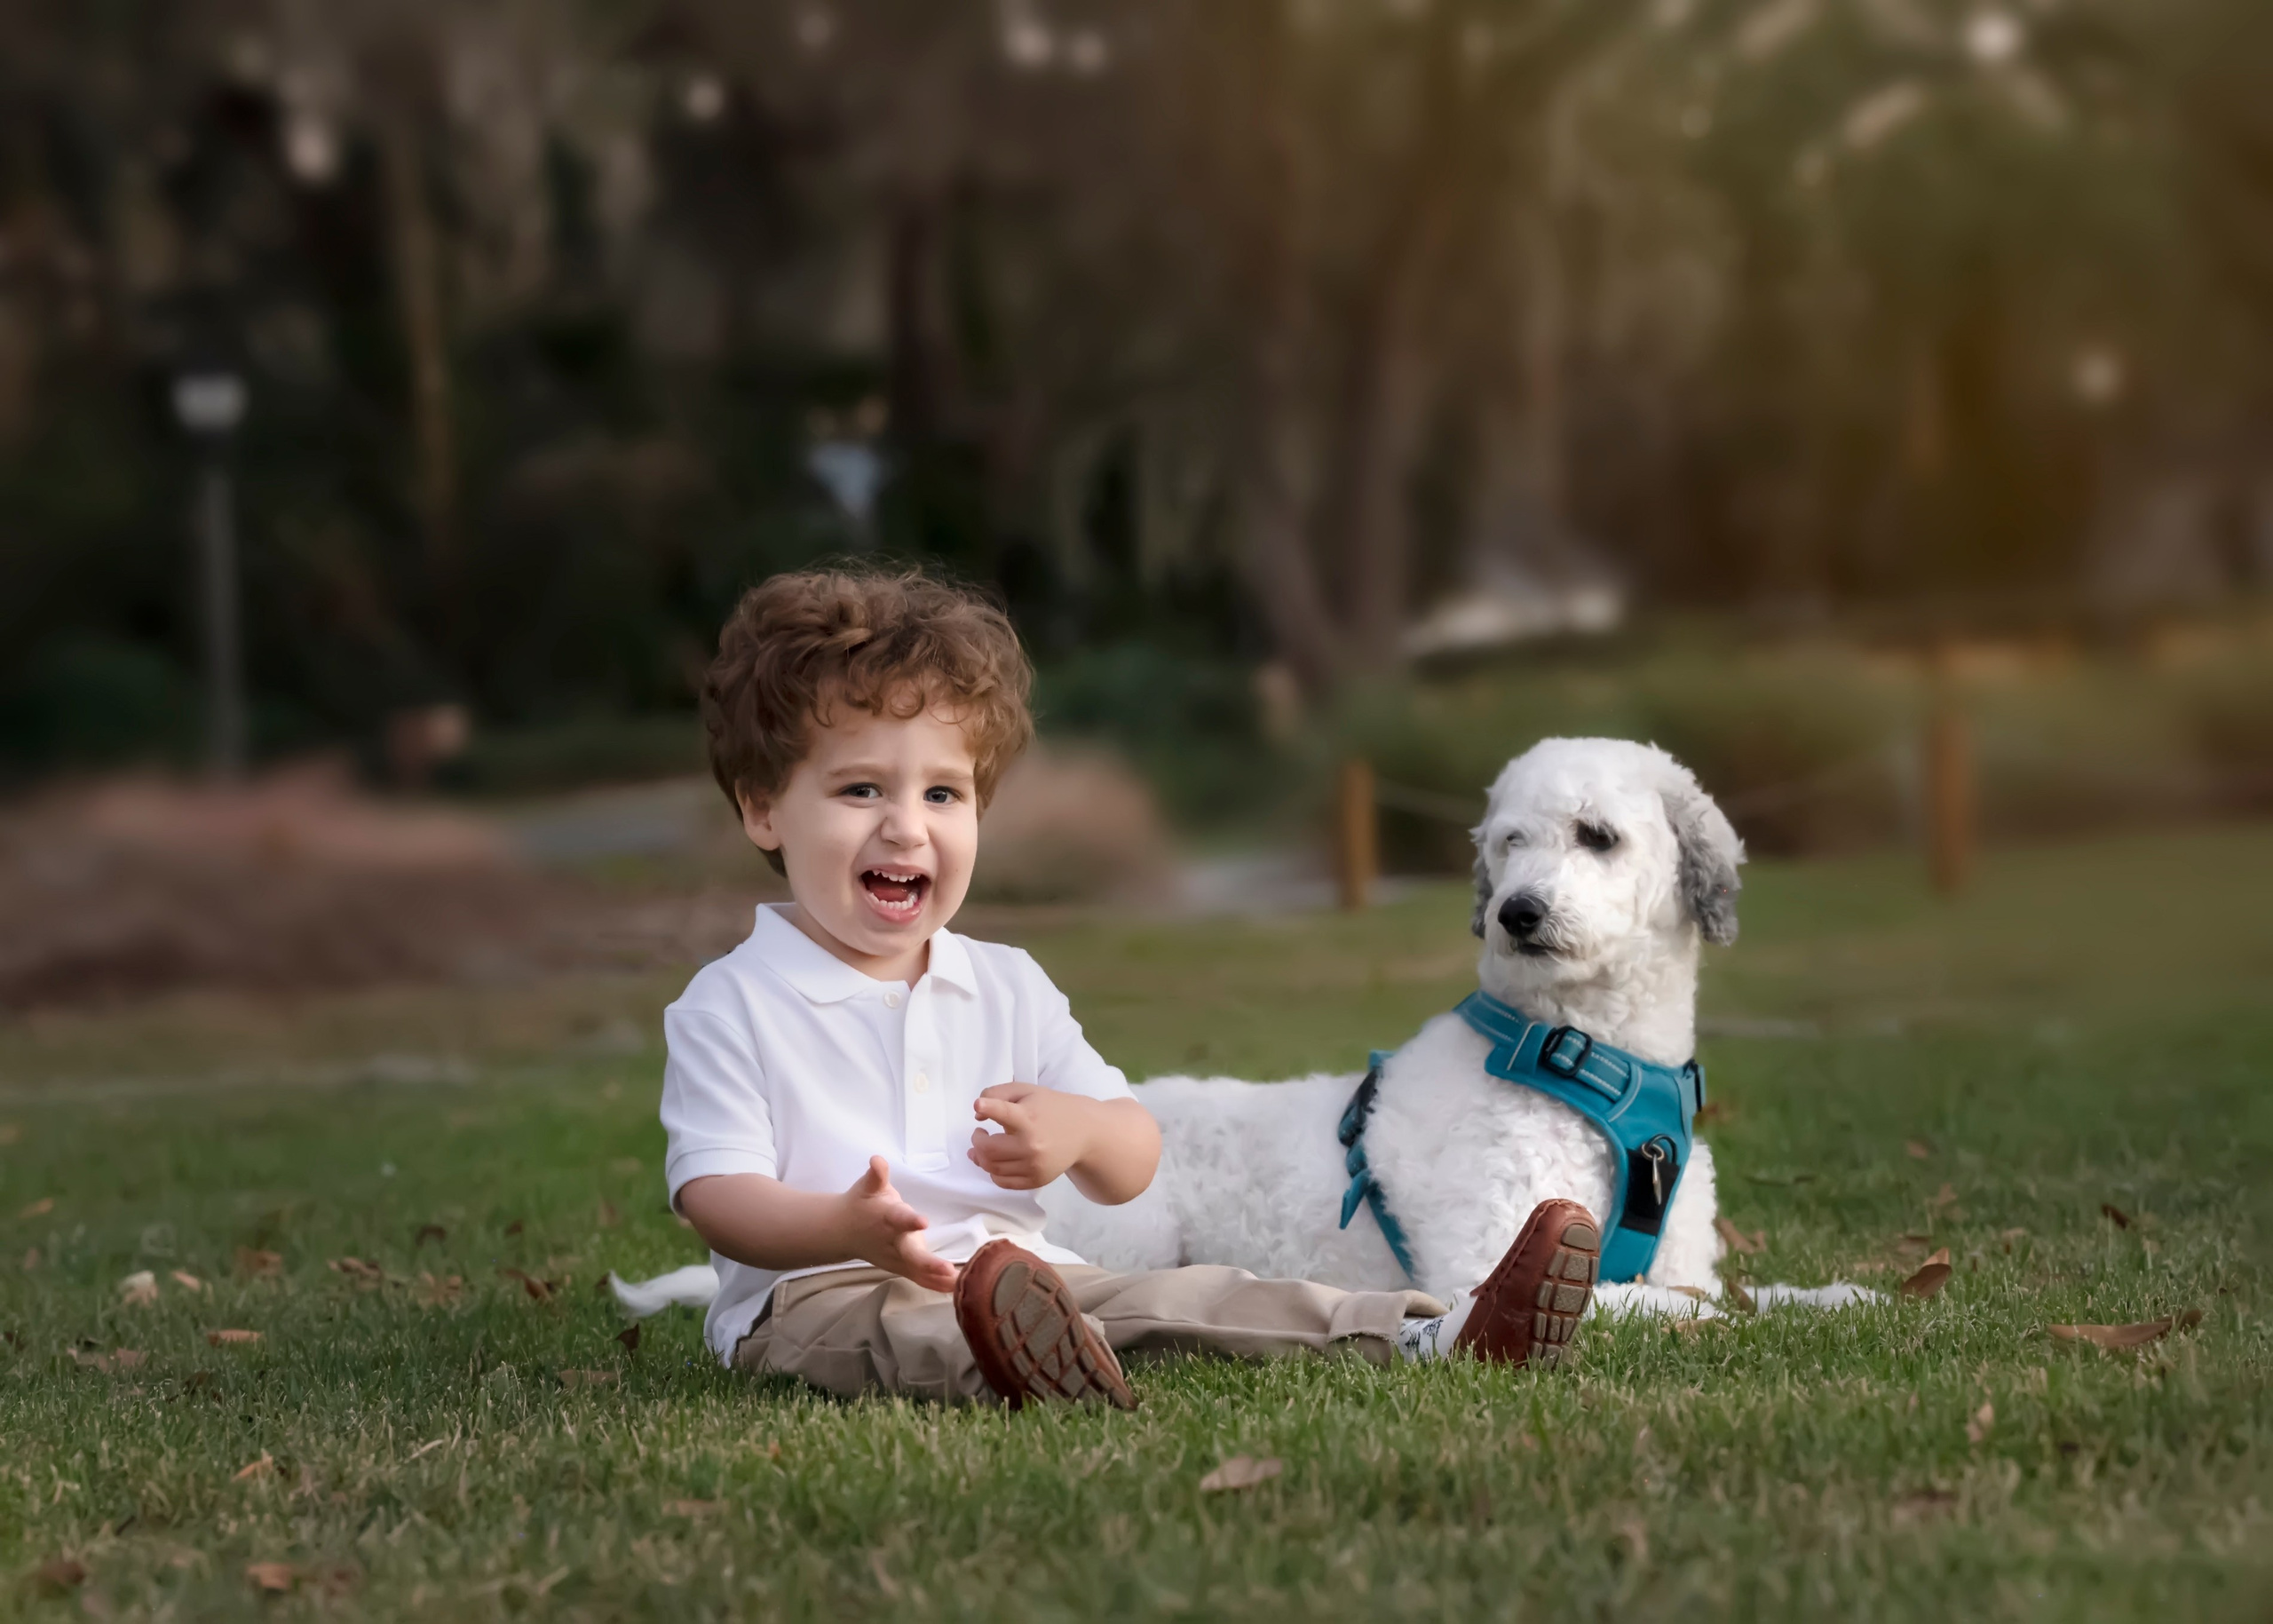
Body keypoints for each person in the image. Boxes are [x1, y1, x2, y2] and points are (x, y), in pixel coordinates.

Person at [661, 566, 1600, 1407]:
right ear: (763, 806)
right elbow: (716, 1193)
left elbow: (1132, 1151)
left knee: (1193, 1291)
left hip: (1025, 1271)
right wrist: (842, 1226)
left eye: (941, 794)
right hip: (815, 1294)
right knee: (904, 1327)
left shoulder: (1005, 985)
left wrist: (1078, 1130)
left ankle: (1427, 1330)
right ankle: (1024, 1360)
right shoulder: (732, 1004)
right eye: (861, 789)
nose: (907, 829)